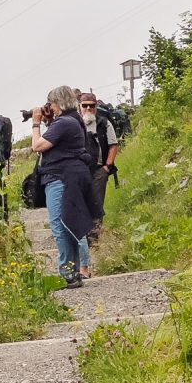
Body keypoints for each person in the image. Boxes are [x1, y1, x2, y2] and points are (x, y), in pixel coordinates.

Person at [30, 86, 100, 288]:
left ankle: (67, 271)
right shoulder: (73, 120)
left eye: (51, 104)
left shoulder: (64, 123)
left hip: (60, 178)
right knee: (69, 223)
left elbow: (37, 146)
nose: (50, 108)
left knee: (60, 226)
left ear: (58, 103)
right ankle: (74, 270)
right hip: (71, 176)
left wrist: (36, 123)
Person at [79, 91, 119, 236]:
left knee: (96, 202)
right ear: (79, 106)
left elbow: (113, 145)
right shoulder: (75, 123)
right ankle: (83, 235)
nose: (88, 109)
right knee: (80, 202)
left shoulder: (104, 122)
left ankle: (95, 236)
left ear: (96, 106)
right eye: (85, 106)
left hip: (98, 170)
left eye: (91, 106)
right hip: (79, 171)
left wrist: (107, 167)